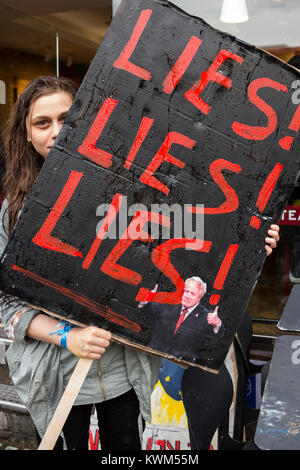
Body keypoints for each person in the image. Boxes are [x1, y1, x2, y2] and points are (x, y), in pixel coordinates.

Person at [0, 76, 161, 450]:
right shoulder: (15, 213)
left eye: (67, 118)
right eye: (43, 123)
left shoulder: (130, 194)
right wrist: (67, 336)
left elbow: (181, 256)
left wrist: (247, 244)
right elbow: (5, 302)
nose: (56, 132)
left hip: (123, 371)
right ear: (26, 134)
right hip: (52, 376)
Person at [138, 276, 224, 362]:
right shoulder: (169, 303)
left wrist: (217, 323)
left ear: (199, 297)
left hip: (178, 364)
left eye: (193, 293)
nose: (188, 296)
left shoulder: (205, 316)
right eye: (186, 291)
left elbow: (218, 335)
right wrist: (145, 301)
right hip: (152, 356)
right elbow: (147, 311)